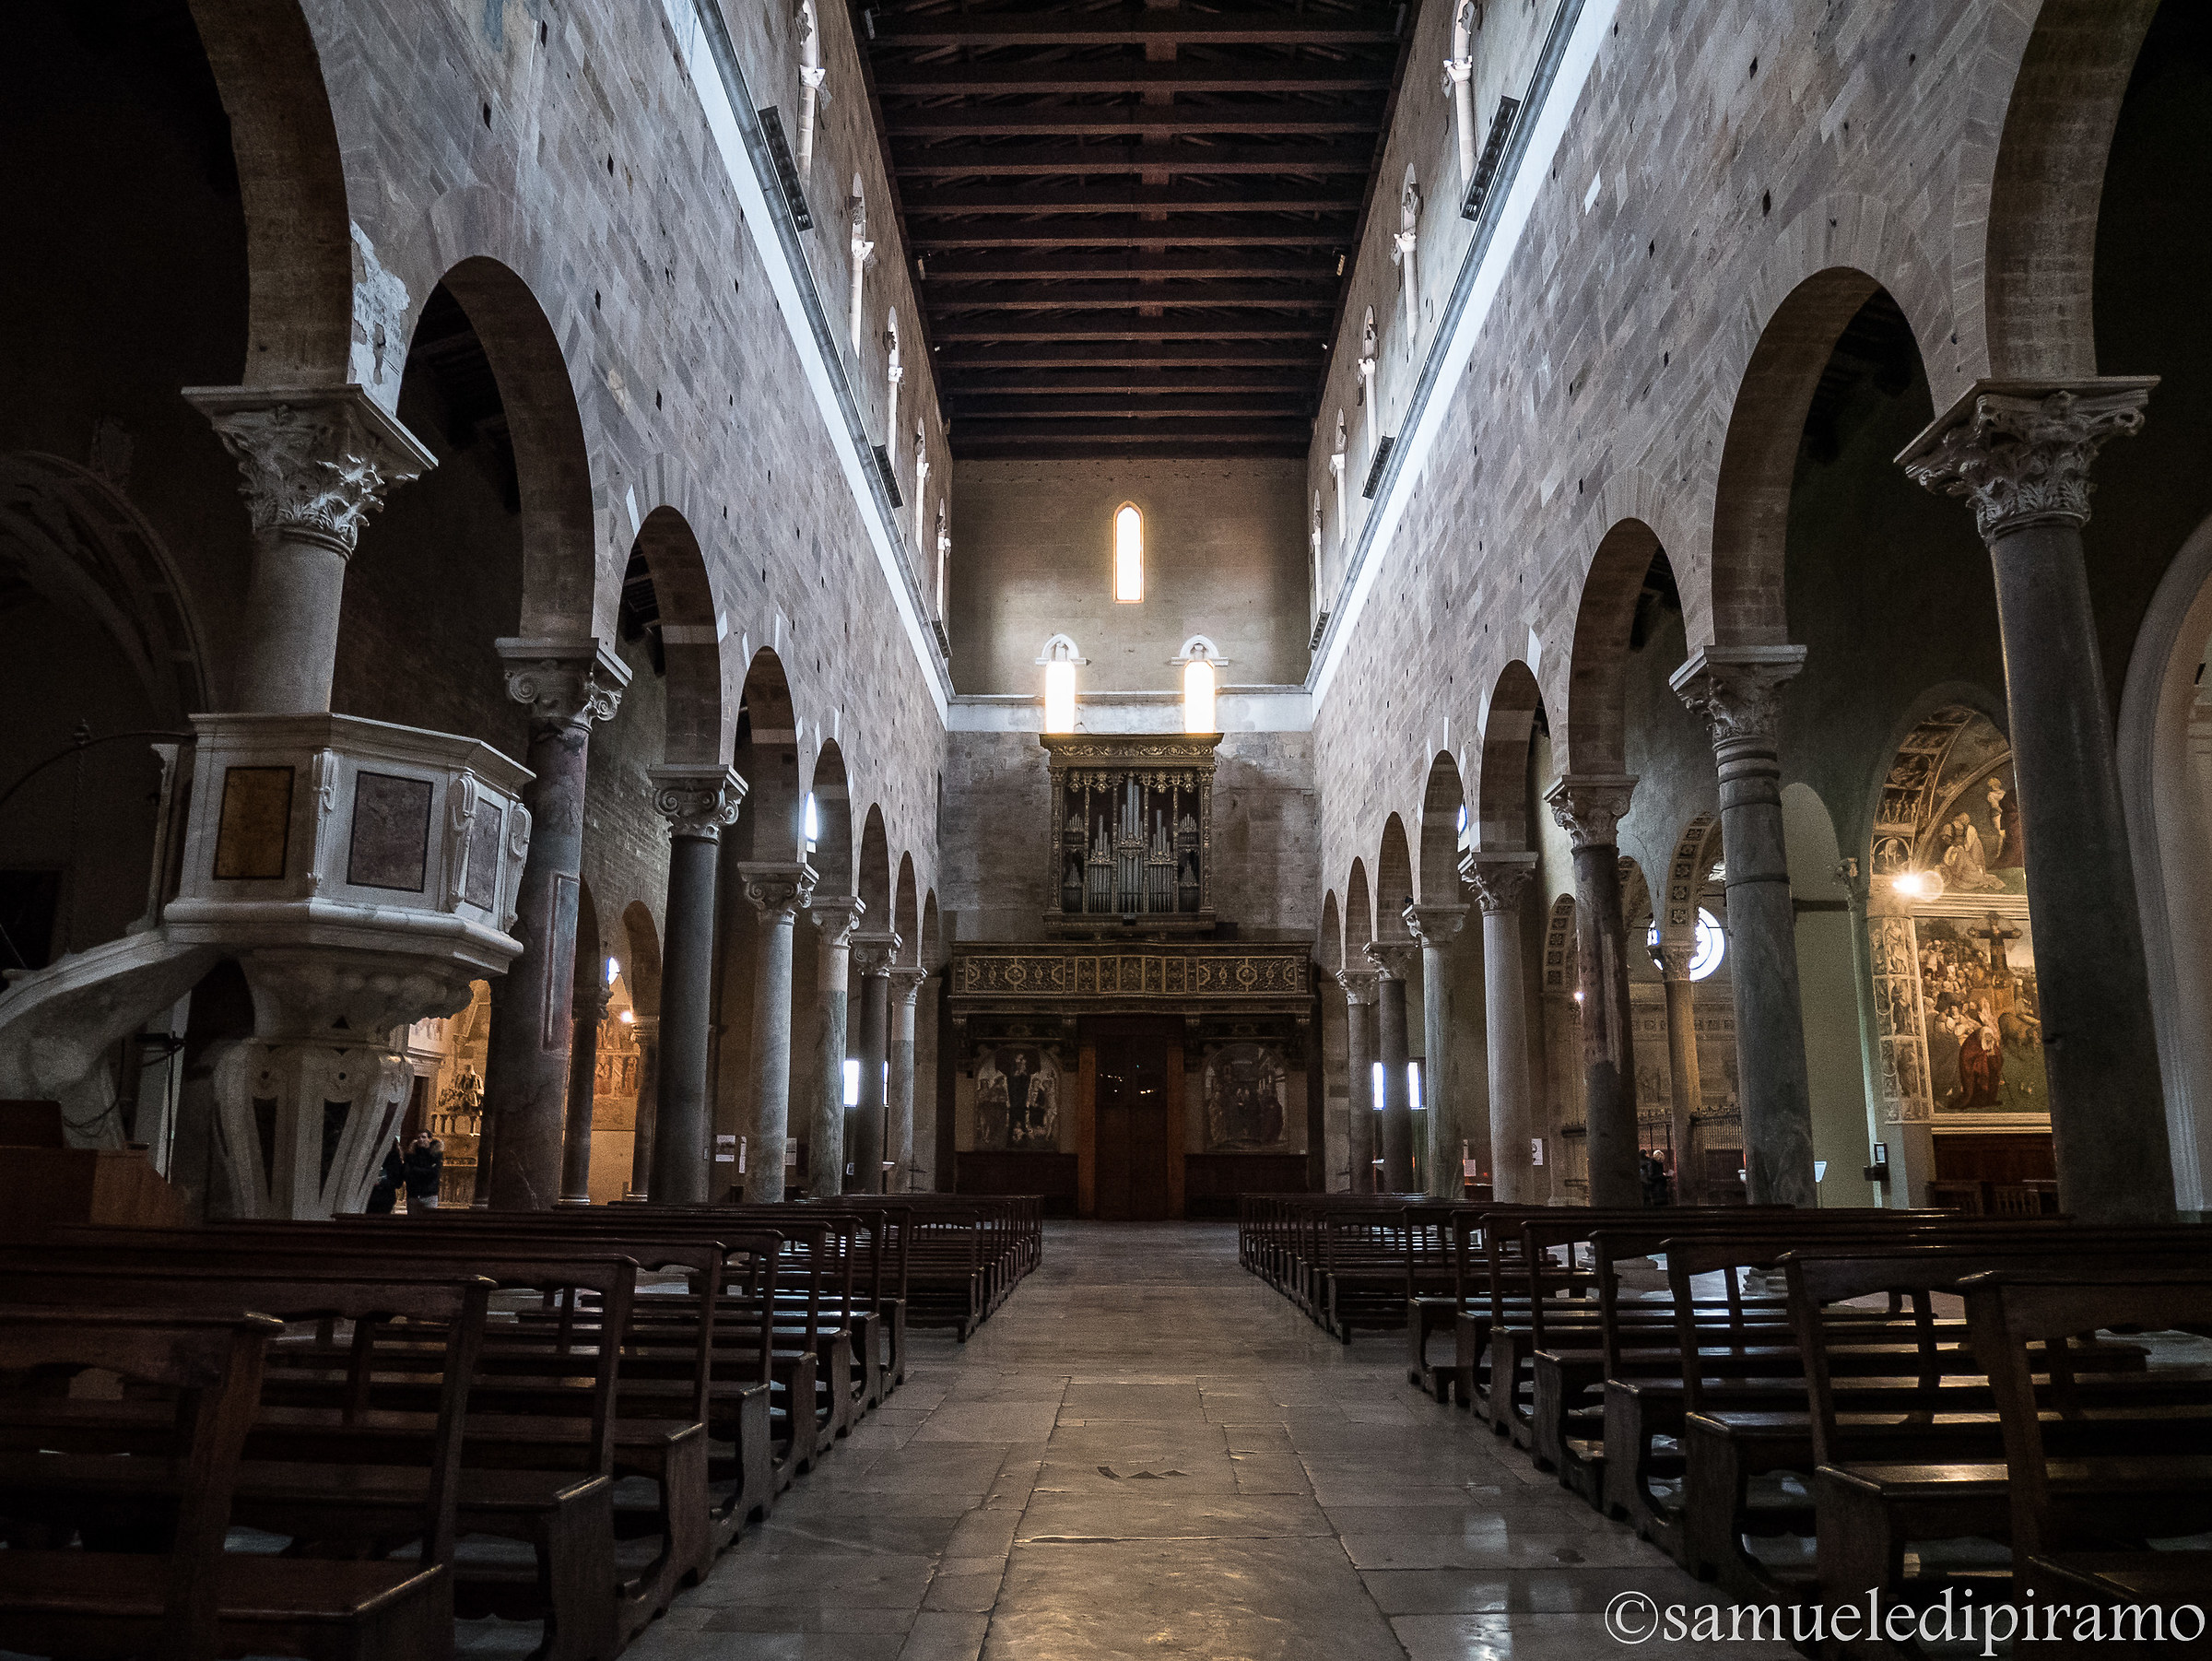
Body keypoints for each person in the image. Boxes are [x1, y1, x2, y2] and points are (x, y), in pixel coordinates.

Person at [403, 1132, 444, 1212]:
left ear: (429, 1139)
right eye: (418, 1137)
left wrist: (416, 1170)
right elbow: (407, 1173)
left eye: (423, 1137)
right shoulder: (411, 1155)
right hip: (414, 1194)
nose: (421, 1139)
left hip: (430, 1194)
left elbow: (434, 1173)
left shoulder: (435, 1155)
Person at [365, 1137, 404, 1214]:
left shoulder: (395, 1160)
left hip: (385, 1197)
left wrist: (381, 1182)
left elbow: (398, 1182)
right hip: (370, 1197)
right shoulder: (370, 1158)